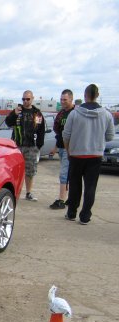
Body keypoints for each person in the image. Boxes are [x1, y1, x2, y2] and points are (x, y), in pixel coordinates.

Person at [62, 84, 114, 225]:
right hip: (95, 156)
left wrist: (68, 150)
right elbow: (109, 137)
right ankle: (85, 216)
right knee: (90, 187)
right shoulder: (107, 115)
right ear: (97, 95)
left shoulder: (74, 113)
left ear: (85, 95)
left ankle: (71, 213)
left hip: (76, 154)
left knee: (75, 186)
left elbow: (65, 135)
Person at [5, 90, 45, 201]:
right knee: (14, 171)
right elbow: (8, 123)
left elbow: (41, 130)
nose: (25, 101)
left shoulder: (37, 113)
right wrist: (14, 113)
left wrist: (38, 146)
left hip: (31, 146)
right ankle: (13, 192)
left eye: (28, 99)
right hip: (17, 146)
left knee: (30, 171)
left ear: (32, 99)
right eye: (23, 99)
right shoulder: (18, 111)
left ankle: (28, 193)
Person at [48, 89, 75, 210]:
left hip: (72, 148)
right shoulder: (61, 114)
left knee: (65, 174)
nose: (63, 102)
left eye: (65, 99)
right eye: (61, 99)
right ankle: (69, 198)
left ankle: (61, 200)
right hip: (62, 147)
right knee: (67, 174)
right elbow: (58, 132)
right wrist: (55, 147)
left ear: (71, 99)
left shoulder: (76, 113)